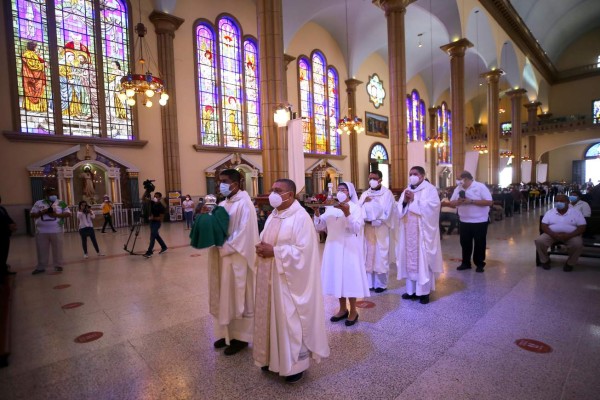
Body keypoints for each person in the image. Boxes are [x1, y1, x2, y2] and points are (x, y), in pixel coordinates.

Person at [254, 179, 330, 384]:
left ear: (291, 194)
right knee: (270, 317)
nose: (273, 193)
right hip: (269, 278)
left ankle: (294, 366)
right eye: (272, 189)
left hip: (288, 282)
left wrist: (275, 252)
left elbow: (305, 253)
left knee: (289, 320)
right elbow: (266, 237)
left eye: (278, 190)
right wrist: (261, 247)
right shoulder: (274, 215)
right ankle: (271, 358)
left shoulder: (301, 217)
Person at [209, 169, 260, 355]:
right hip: (223, 258)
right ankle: (227, 333)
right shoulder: (223, 203)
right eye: (219, 181)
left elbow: (245, 234)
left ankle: (241, 338)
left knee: (237, 295)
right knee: (225, 294)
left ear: (236, 184)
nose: (220, 185)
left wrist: (226, 247)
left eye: (224, 181)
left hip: (237, 258)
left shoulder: (245, 204)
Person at [314, 182, 369, 326]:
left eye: (343, 189)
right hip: (333, 246)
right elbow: (320, 226)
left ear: (350, 192)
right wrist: (316, 213)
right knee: (337, 277)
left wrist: (347, 213)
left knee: (348, 278)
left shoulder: (356, 208)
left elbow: (355, 229)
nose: (340, 191)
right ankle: (342, 309)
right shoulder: (330, 208)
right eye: (338, 189)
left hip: (348, 246)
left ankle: (353, 311)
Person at [396, 167, 443, 304]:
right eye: (410, 174)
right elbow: (399, 209)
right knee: (409, 261)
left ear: (422, 175)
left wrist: (415, 199)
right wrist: (405, 201)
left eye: (415, 174)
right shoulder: (407, 189)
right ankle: (411, 291)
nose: (412, 176)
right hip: (408, 231)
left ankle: (423, 293)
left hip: (422, 233)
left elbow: (433, 207)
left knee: (422, 261)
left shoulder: (429, 189)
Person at [358, 170, 396, 292]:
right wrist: (364, 202)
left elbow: (388, 212)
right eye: (370, 178)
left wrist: (374, 221)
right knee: (369, 254)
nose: (371, 181)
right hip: (368, 230)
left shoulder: (387, 194)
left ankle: (381, 284)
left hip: (381, 229)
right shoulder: (365, 194)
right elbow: (358, 208)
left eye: (374, 178)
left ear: (380, 179)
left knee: (381, 255)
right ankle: (369, 283)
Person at [449, 171, 493, 273]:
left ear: (466, 179)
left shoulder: (480, 187)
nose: (457, 181)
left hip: (480, 221)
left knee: (479, 243)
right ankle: (466, 263)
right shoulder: (458, 188)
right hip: (464, 220)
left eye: (459, 178)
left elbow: (489, 202)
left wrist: (471, 201)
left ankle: (479, 263)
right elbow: (451, 203)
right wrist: (458, 202)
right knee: (465, 243)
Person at [535, 194, 586, 272]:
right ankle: (545, 260)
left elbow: (582, 226)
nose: (558, 203)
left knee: (578, 244)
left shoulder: (576, 212)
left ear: (568, 202)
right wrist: (553, 234)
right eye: (556, 201)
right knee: (539, 241)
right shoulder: (550, 212)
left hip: (571, 235)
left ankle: (570, 263)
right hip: (551, 234)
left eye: (561, 201)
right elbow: (544, 225)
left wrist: (569, 235)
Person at [30, 188, 71, 275]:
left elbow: (68, 214)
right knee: (41, 249)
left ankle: (58, 265)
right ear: (46, 194)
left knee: (58, 248)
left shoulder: (61, 203)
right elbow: (32, 215)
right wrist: (43, 212)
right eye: (49, 193)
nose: (52, 194)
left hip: (57, 230)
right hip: (41, 231)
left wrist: (56, 214)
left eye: (53, 193)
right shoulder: (39, 203)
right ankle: (41, 266)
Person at [21, 41, 48, 112]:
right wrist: (43, 65)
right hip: (32, 76)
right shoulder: (28, 54)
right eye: (36, 47)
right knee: (33, 89)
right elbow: (33, 66)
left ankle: (38, 108)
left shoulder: (32, 54)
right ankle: (33, 107)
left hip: (37, 75)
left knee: (39, 89)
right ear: (33, 47)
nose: (37, 48)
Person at [143, 192, 167, 258]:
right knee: (156, 235)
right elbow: (143, 199)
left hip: (157, 223)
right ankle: (164, 247)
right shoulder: (152, 203)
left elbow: (161, 219)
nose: (155, 198)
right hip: (152, 222)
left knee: (152, 236)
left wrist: (153, 218)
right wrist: (146, 191)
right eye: (154, 196)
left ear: (160, 198)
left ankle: (149, 252)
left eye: (157, 197)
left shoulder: (161, 207)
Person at [0, 196, 17, 283]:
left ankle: (4, 270)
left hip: (5, 235)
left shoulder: (2, 208)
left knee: (4, 253)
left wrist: (13, 223)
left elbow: (7, 218)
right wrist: (7, 226)